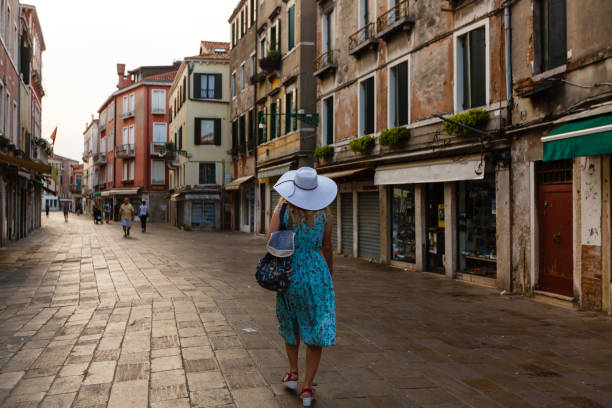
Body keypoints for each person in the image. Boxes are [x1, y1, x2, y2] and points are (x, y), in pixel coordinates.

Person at [268, 167, 337, 407]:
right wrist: (328, 272)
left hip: (289, 274)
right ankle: (307, 388)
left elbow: (271, 240)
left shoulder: (283, 209)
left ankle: (293, 372)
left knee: (290, 323)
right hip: (317, 273)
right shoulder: (324, 214)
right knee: (315, 327)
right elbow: (327, 246)